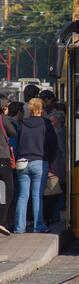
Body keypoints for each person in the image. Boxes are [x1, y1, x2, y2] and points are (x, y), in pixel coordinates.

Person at [14, 98, 57, 233]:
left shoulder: (22, 124)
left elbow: (17, 143)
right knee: (37, 195)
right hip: (40, 161)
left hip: (23, 162)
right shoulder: (46, 124)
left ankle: (19, 227)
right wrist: (50, 159)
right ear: (41, 109)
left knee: (22, 196)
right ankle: (39, 226)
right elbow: (52, 143)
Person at [45, 111, 66, 224]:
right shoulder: (63, 131)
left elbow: (63, 150)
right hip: (59, 164)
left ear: (59, 122)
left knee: (57, 190)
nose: (51, 123)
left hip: (59, 164)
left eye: (53, 121)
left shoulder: (58, 133)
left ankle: (56, 215)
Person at [0, 98, 16, 236]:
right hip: (3, 158)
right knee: (8, 190)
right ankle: (2, 222)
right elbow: (12, 133)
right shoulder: (3, 119)